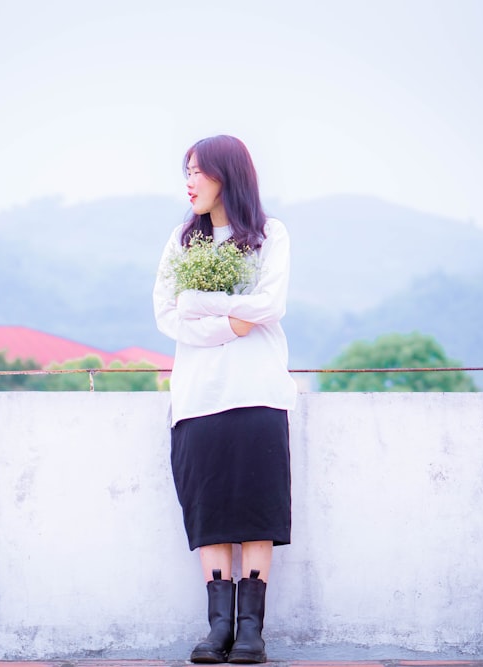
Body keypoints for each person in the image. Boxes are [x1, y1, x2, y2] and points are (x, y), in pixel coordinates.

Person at [153, 135, 298, 664]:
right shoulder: (182, 241)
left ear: (227, 175)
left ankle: (251, 633)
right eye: (185, 171)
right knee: (210, 512)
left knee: (258, 511)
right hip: (196, 396)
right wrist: (231, 323)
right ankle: (218, 631)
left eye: (198, 171)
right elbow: (168, 314)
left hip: (257, 391)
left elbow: (271, 304)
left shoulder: (268, 235)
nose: (188, 182)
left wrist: (202, 306)